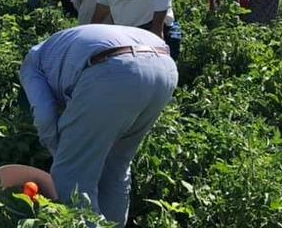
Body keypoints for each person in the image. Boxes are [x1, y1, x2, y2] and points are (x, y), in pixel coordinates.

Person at [19, 24, 177, 225]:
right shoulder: (60, 48)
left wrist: (62, 152)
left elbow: (43, 115)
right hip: (164, 67)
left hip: (112, 70)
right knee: (117, 165)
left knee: (72, 175)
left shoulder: (31, 65)